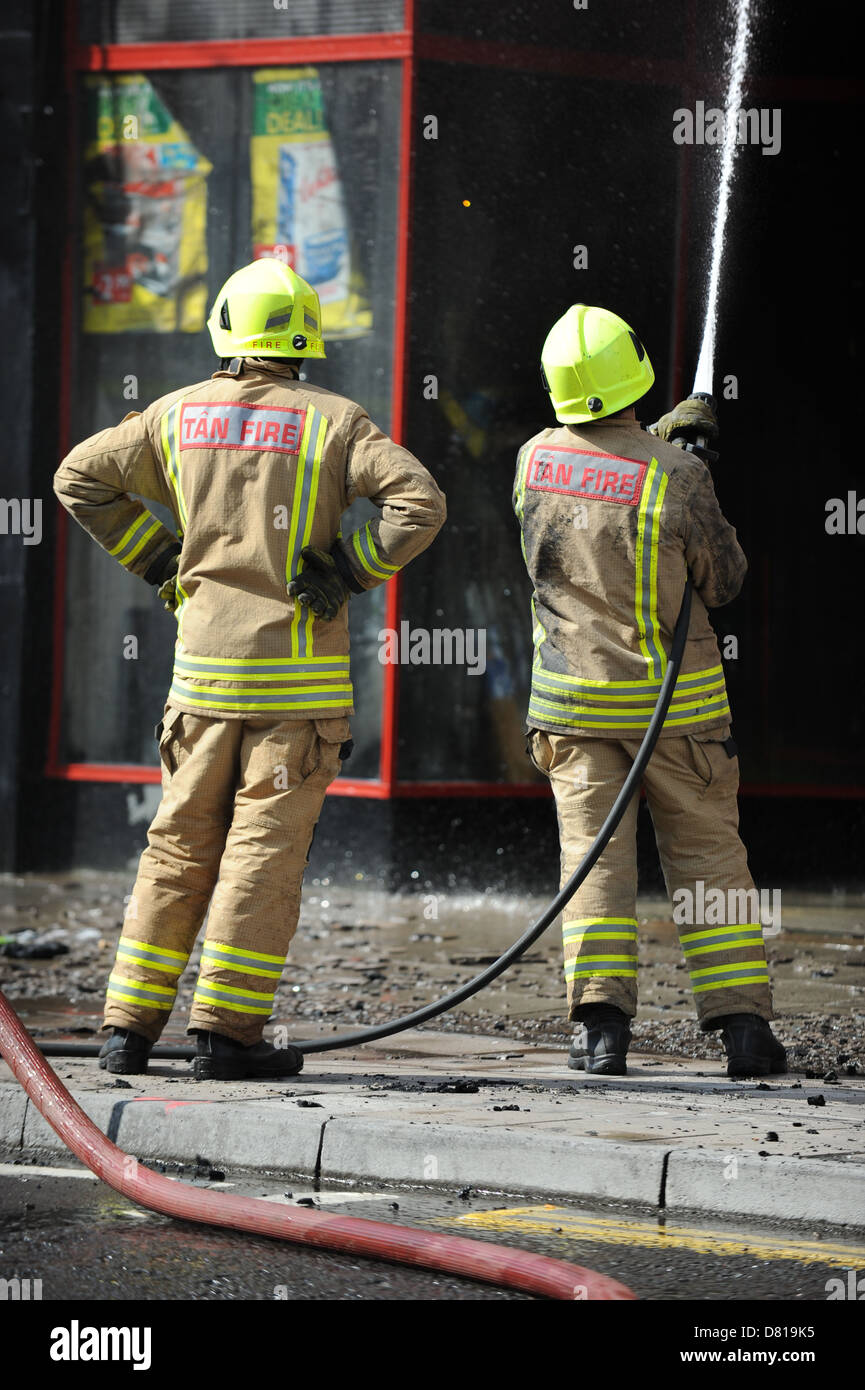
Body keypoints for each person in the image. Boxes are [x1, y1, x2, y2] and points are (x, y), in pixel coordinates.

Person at [54, 258, 446, 1080]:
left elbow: (77, 478)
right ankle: (227, 1037)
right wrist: (350, 568)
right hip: (295, 700)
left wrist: (160, 558)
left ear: (227, 331)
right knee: (260, 858)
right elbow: (420, 503)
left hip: (199, 687)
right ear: (303, 338)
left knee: (174, 849)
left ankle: (126, 1032)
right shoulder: (334, 423)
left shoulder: (176, 416)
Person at [513, 303, 785, 1078]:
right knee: (708, 863)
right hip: (679, 714)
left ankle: (598, 1034)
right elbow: (723, 580)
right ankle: (742, 1034)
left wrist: (663, 442)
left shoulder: (532, 460)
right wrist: (688, 458)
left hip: (571, 708)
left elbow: (601, 475)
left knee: (592, 866)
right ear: (632, 370)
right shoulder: (678, 474)